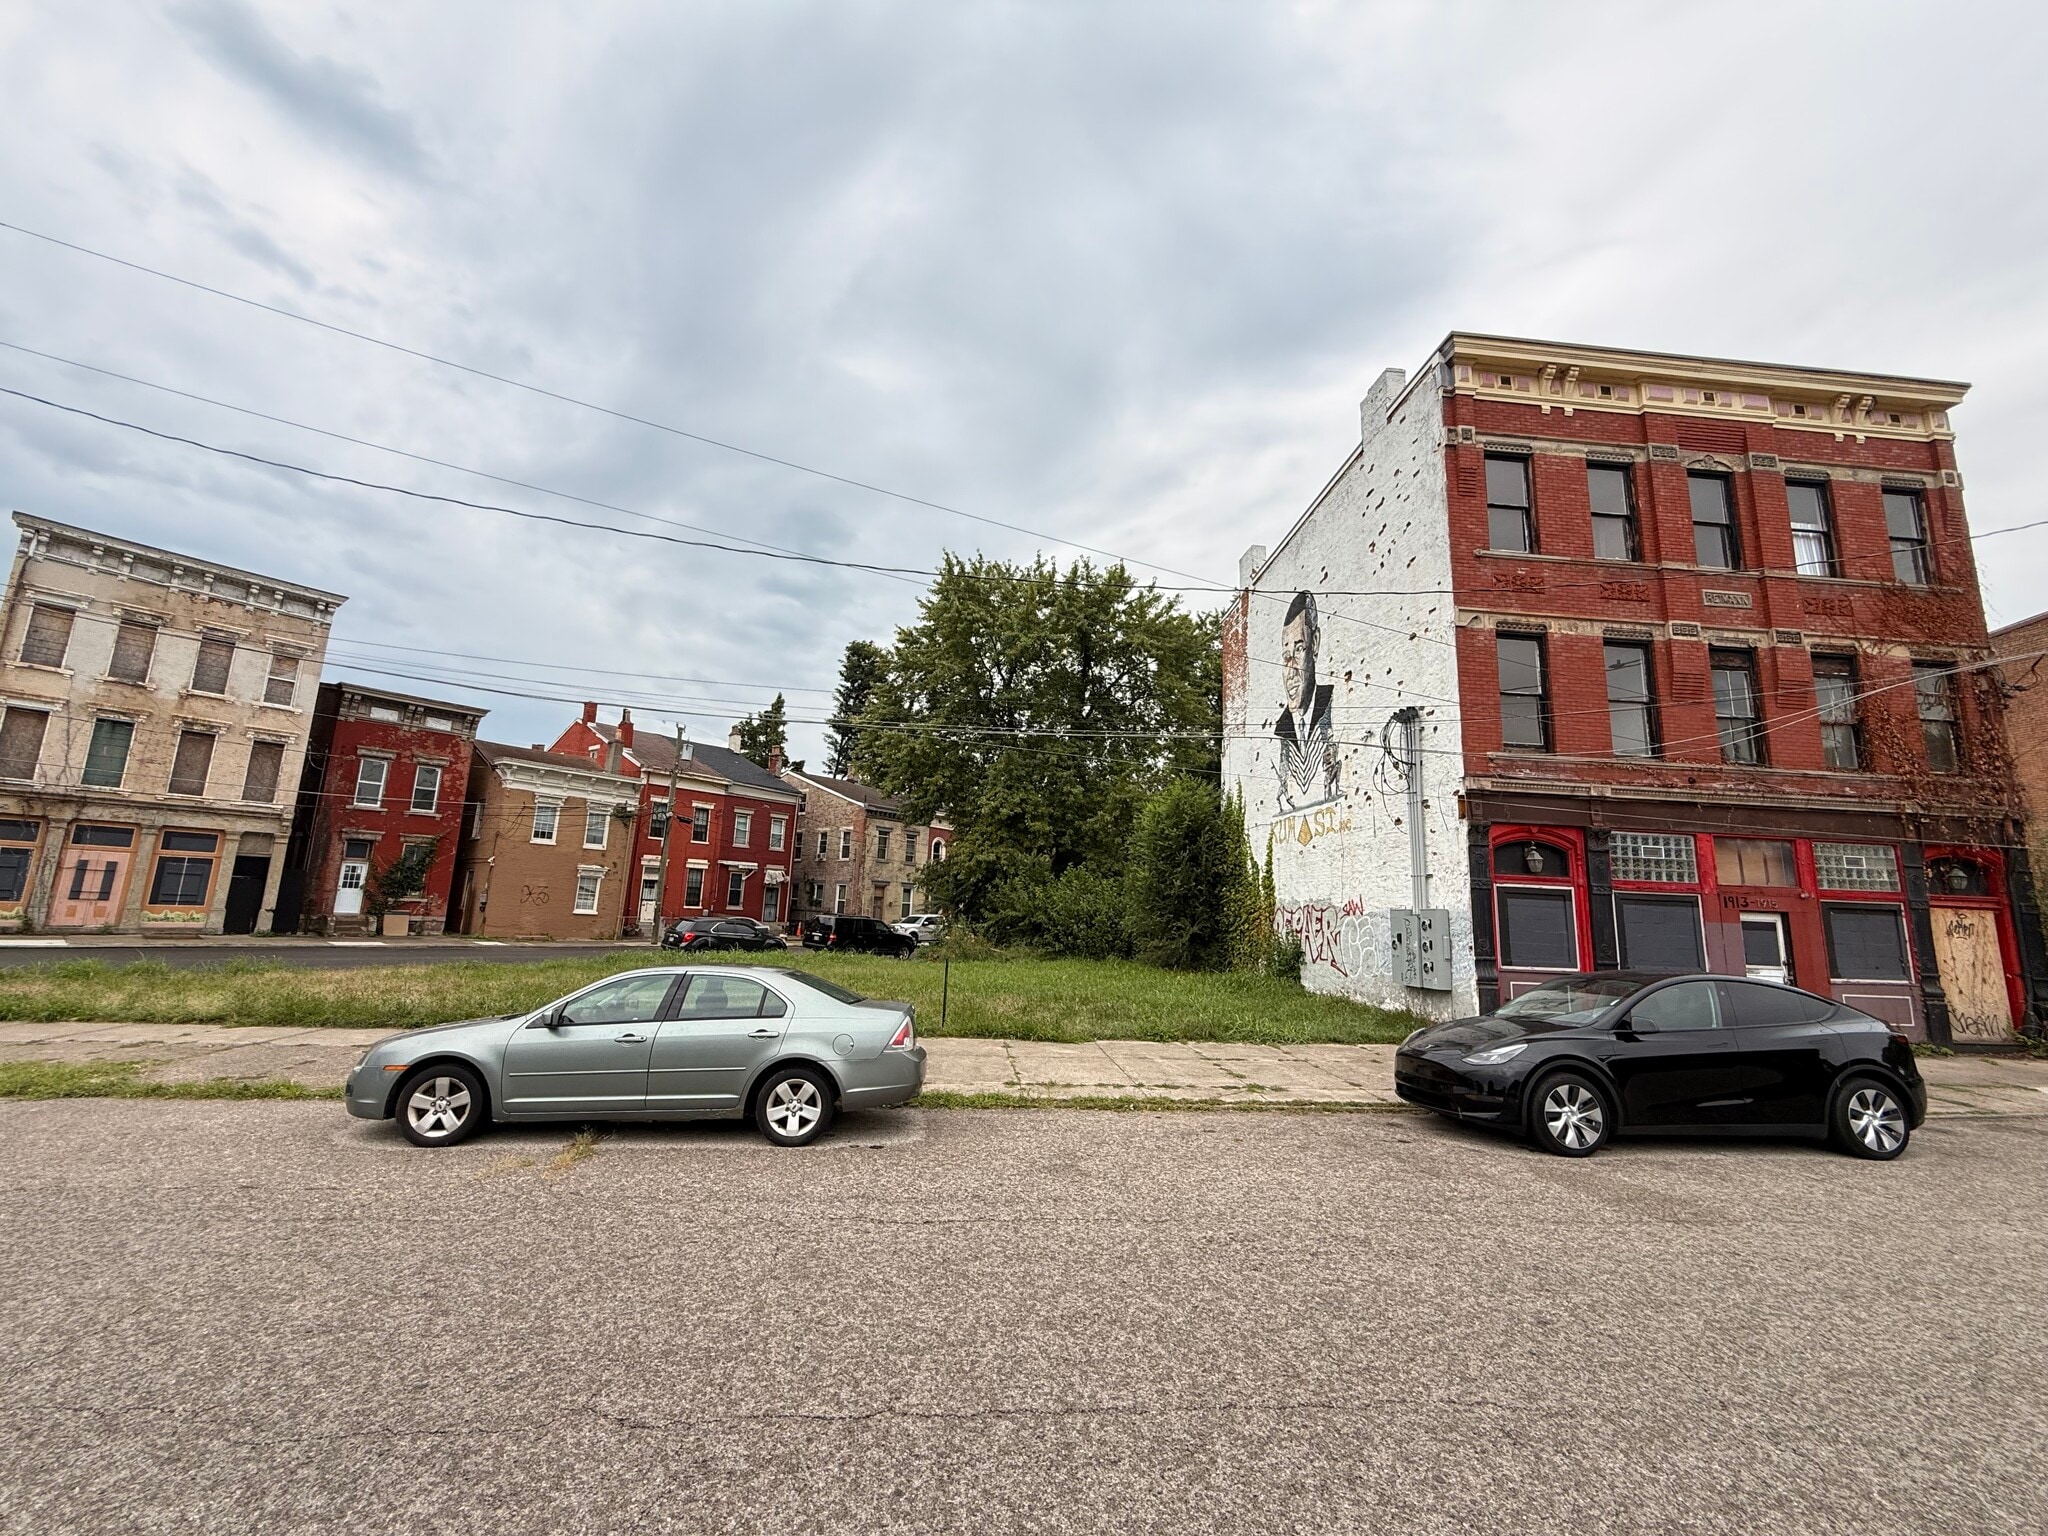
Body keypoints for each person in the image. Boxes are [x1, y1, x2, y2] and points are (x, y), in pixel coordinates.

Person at [1275, 590, 1338, 808]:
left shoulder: (1330, 707)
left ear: (1316, 643)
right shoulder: (1281, 729)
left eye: (1299, 649)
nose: (1291, 670)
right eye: (1285, 658)